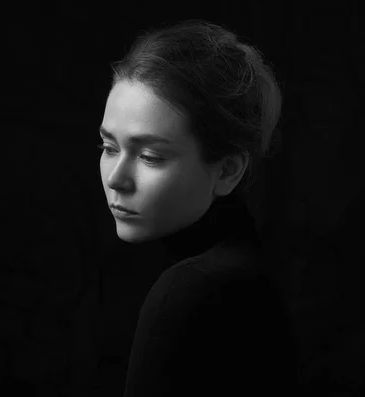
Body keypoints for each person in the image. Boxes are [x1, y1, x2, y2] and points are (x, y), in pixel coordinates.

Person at [97, 19, 296, 396]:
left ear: (227, 170)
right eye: (108, 148)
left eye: (151, 156)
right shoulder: (244, 270)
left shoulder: (192, 290)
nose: (116, 178)